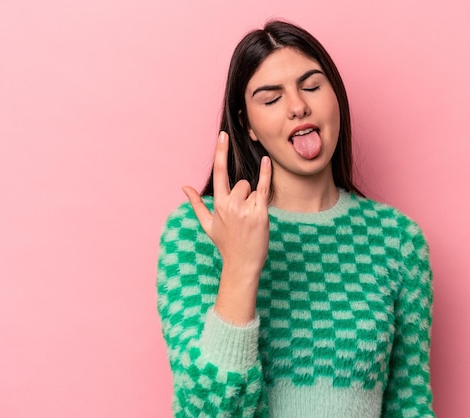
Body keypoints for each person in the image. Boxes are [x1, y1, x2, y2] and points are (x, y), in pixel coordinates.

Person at [156, 20, 435, 417]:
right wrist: (239, 267)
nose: (297, 106)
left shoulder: (398, 240)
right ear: (247, 126)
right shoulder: (195, 233)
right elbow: (206, 410)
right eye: (271, 99)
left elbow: (411, 405)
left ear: (335, 97)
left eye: (312, 86)